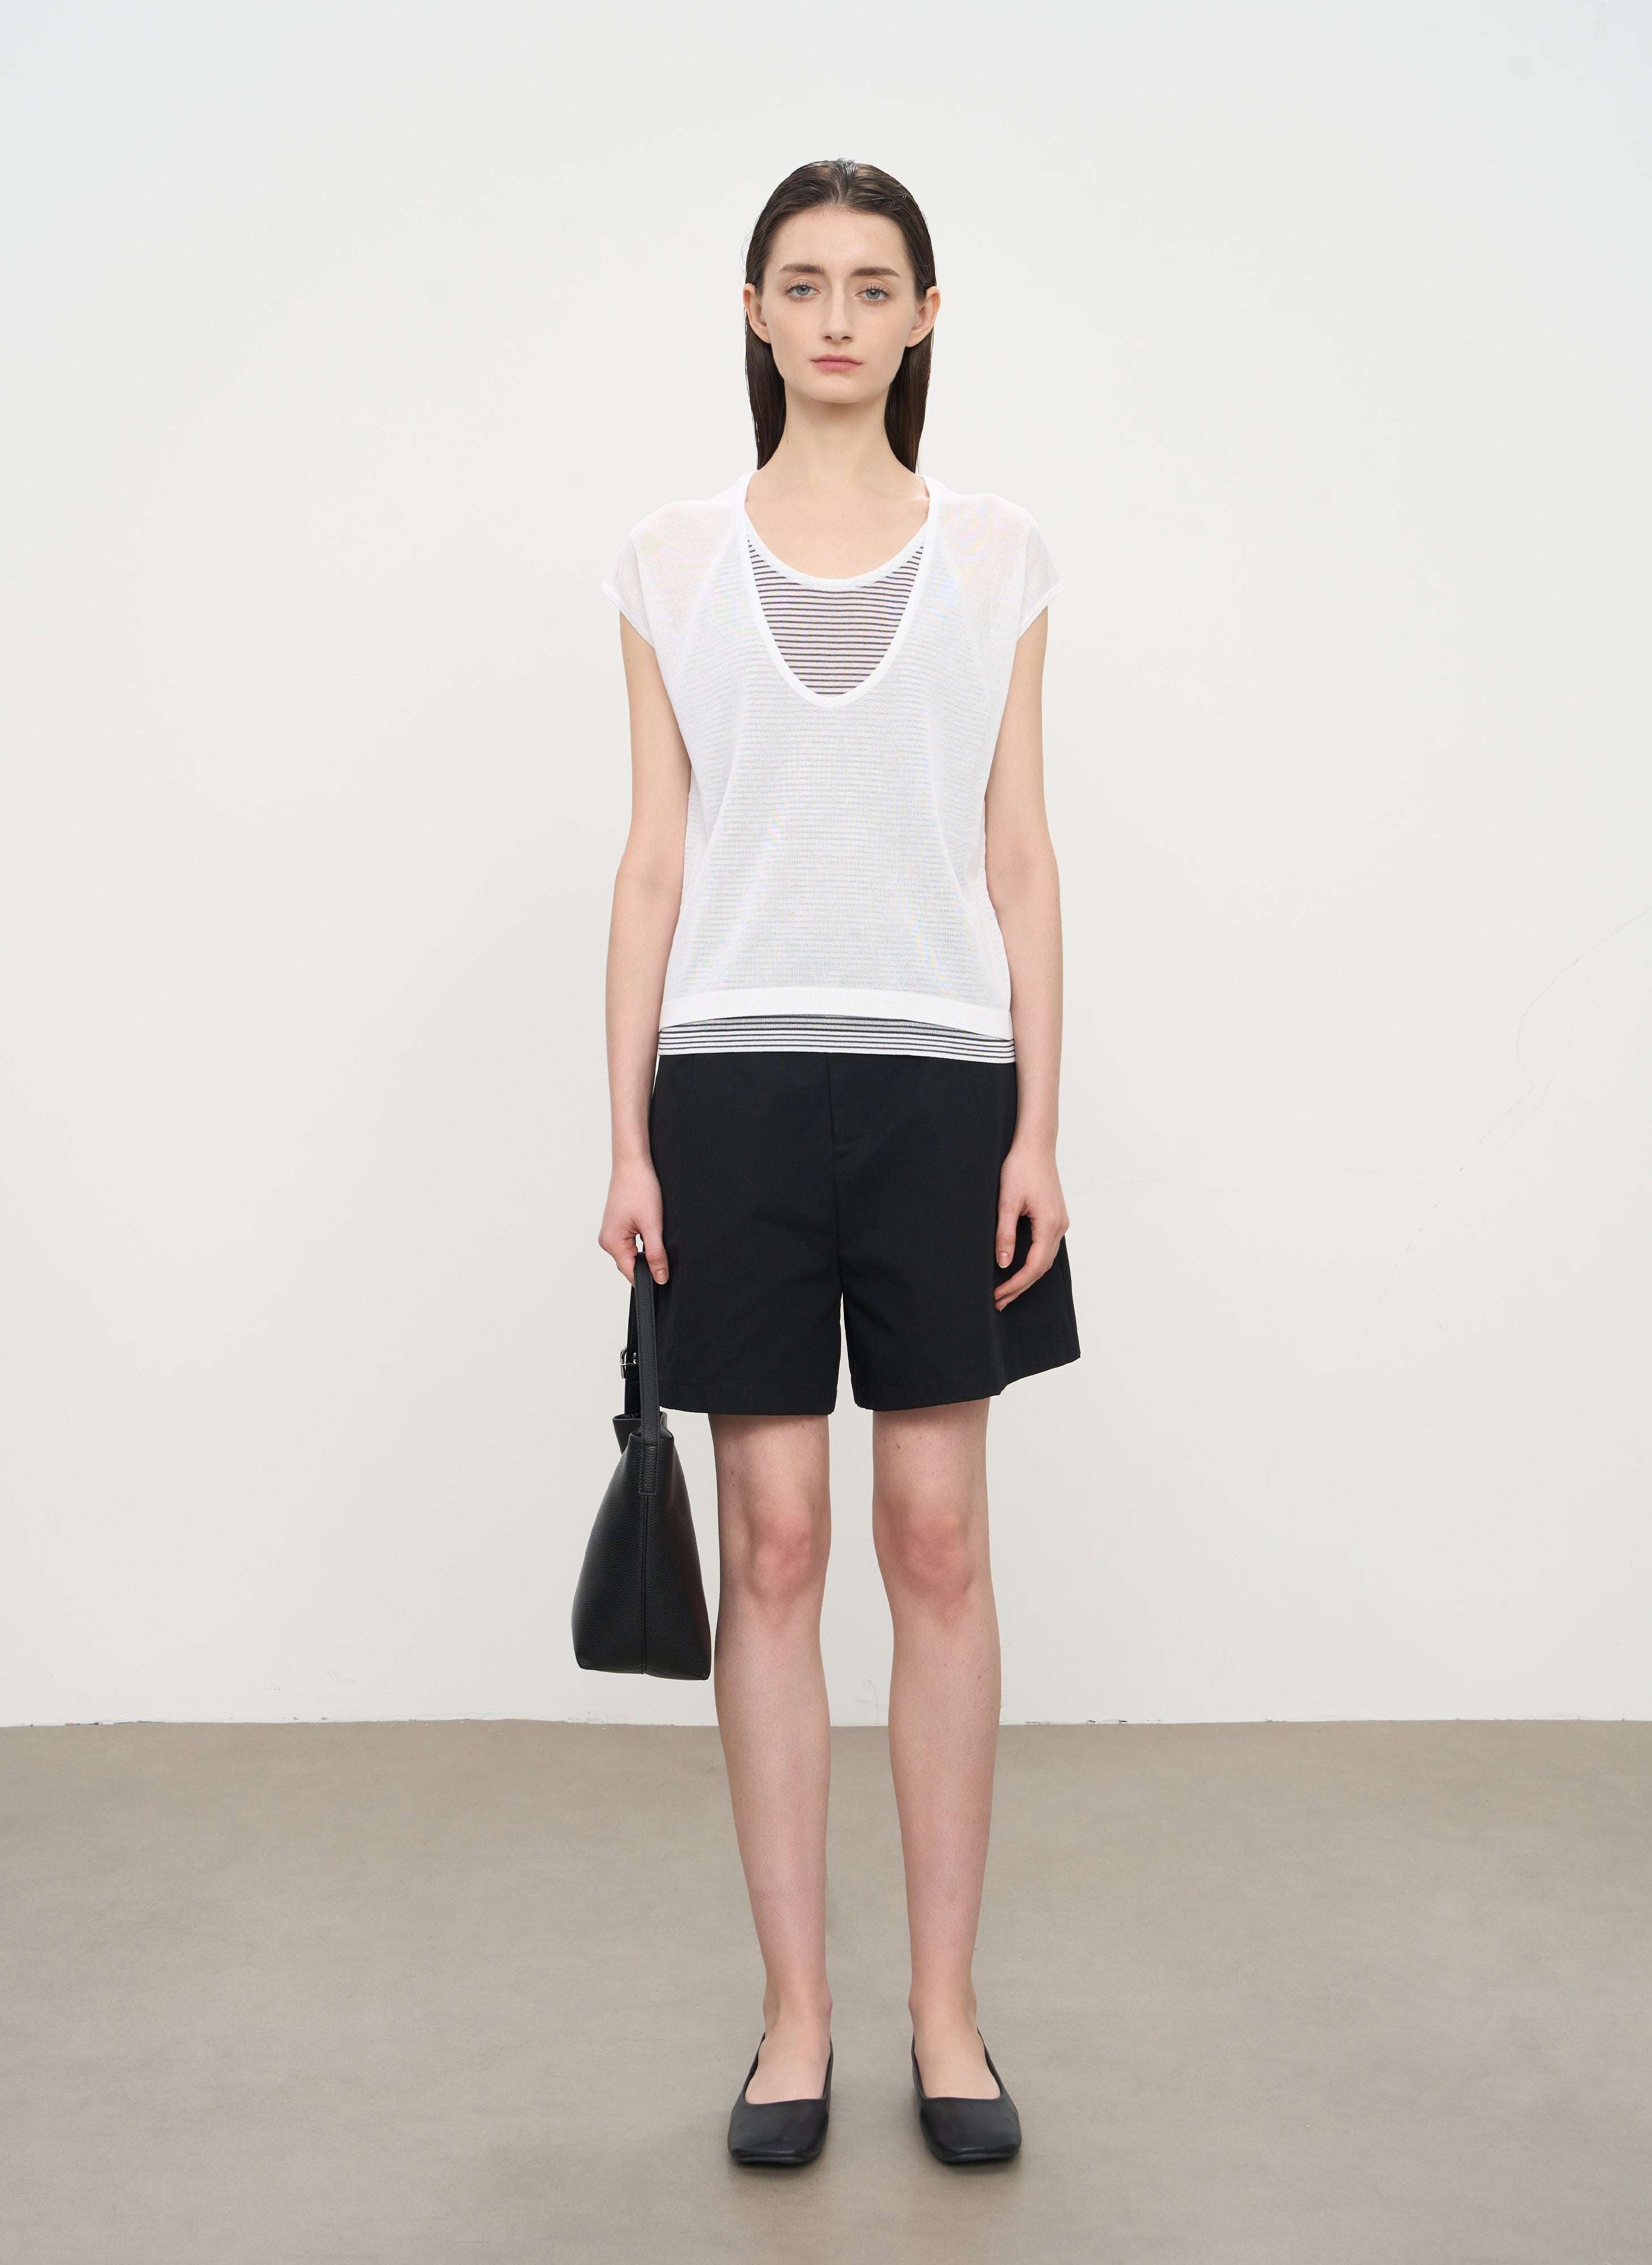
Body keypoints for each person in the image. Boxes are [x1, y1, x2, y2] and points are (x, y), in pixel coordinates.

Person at [597, 157, 1081, 2168]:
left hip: (943, 1088)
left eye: (875, 287)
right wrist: (625, 1135)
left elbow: (1020, 853)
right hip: (728, 1089)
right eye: (802, 285)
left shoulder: (999, 553)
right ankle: (793, 2018)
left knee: (938, 1544)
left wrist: (1038, 1122)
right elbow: (653, 860)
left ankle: (943, 2017)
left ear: (926, 318)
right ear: (753, 309)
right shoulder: (668, 559)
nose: (837, 319)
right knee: (777, 1543)